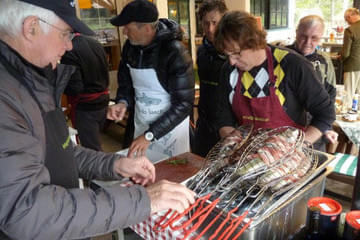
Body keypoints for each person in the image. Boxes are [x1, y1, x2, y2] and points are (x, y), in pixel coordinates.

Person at [0, 0, 195, 239]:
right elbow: (26, 210)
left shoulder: (36, 79)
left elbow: (61, 150)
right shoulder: (8, 95)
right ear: (31, 28)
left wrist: (114, 164)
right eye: (66, 34)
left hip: (168, 132)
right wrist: (142, 200)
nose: (70, 45)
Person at [213, 11, 335, 145]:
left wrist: (300, 145)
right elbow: (223, 117)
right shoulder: (229, 70)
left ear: (254, 42)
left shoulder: (293, 65)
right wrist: (230, 137)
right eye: (227, 55)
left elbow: (326, 114)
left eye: (236, 54)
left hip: (288, 157)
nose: (231, 62)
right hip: (247, 156)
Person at [107, 0, 195, 158]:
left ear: (147, 28)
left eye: (128, 27)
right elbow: (126, 83)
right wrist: (122, 102)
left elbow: (183, 104)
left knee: (171, 173)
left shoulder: (175, 53)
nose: (124, 32)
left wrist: (150, 135)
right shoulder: (130, 48)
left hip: (171, 131)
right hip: (141, 123)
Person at [286, 15, 338, 151]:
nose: (307, 42)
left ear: (321, 37)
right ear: (296, 32)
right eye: (303, 36)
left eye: (314, 38)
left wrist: (327, 127)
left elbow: (330, 96)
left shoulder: (325, 61)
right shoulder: (283, 56)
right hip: (286, 131)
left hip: (315, 129)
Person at [61, 34, 110, 151]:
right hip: (103, 101)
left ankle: (101, 168)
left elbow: (75, 88)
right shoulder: (95, 43)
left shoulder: (70, 51)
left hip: (86, 107)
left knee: (92, 148)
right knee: (95, 142)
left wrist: (60, 83)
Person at [194, 0, 227, 157]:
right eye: (206, 23)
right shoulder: (201, 51)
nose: (210, 29)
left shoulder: (233, 51)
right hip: (204, 120)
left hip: (227, 124)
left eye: (215, 22)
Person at [341, 8, 360, 107]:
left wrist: (340, 58)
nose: (346, 21)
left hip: (352, 64)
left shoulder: (350, 30)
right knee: (358, 94)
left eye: (346, 19)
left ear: (350, 16)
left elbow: (345, 53)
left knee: (348, 94)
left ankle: (347, 118)